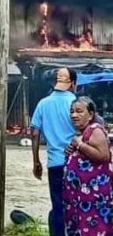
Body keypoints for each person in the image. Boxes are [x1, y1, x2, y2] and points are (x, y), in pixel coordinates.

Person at [31, 67, 78, 236]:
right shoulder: (77, 104)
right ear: (73, 83)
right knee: (77, 204)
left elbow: (35, 132)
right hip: (75, 163)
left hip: (54, 164)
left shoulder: (43, 103)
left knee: (58, 206)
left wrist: (36, 161)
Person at [63, 96, 113, 235]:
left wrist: (79, 145)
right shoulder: (82, 133)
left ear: (90, 115)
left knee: (95, 228)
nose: (74, 115)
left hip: (93, 196)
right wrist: (72, 150)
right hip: (80, 196)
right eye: (72, 111)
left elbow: (103, 156)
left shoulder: (95, 130)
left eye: (79, 111)